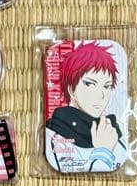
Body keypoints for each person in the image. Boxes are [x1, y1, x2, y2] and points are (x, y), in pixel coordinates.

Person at [45, 42, 127, 172]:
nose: (101, 95)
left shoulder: (112, 131)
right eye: (89, 84)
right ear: (71, 89)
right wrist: (103, 151)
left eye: (107, 86)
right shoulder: (54, 136)